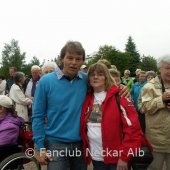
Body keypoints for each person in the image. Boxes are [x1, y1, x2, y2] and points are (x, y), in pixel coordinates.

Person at [32, 41, 129, 170]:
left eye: (78, 59)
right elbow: (37, 116)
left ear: (82, 61)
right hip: (56, 143)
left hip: (81, 143)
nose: (73, 62)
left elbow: (105, 87)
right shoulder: (46, 82)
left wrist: (122, 89)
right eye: (70, 58)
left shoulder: (86, 80)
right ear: (62, 59)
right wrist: (39, 146)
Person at [80, 63, 144, 170]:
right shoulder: (87, 98)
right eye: (92, 74)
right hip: (96, 157)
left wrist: (124, 157)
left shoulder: (120, 96)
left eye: (100, 74)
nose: (95, 77)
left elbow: (133, 130)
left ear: (106, 77)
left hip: (117, 158)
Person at [139, 55, 170, 170]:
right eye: (167, 68)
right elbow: (143, 108)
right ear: (160, 69)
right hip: (157, 143)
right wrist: (161, 100)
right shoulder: (149, 87)